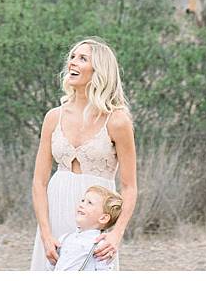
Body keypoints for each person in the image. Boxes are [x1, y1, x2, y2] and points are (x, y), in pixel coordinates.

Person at [30, 37, 138, 271]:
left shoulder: (117, 121)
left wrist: (116, 234)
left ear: (99, 70)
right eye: (71, 57)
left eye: (82, 58)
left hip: (96, 219)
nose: (72, 63)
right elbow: (39, 182)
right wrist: (46, 235)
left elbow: (129, 187)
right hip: (56, 212)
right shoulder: (53, 117)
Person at [48, 185, 124, 271]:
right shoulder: (64, 238)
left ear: (103, 218)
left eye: (89, 203)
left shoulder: (101, 246)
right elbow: (52, 267)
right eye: (83, 200)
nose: (81, 205)